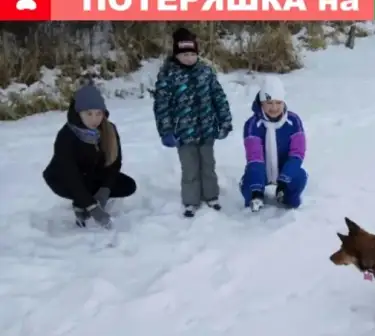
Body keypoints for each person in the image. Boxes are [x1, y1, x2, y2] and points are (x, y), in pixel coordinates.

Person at [153, 27, 233, 218]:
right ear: (176, 55)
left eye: (192, 54)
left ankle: (211, 195)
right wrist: (166, 130)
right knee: (189, 168)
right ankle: (190, 201)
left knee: (208, 165)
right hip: (183, 133)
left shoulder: (206, 72)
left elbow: (218, 97)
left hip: (207, 129)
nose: (189, 58)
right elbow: (161, 105)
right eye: (184, 54)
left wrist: (225, 122)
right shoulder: (168, 76)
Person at [42, 84, 137, 228]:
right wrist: (90, 206)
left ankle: (89, 198)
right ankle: (80, 203)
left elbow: (115, 163)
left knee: (128, 185)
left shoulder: (109, 130)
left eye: (99, 113)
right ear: (79, 112)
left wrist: (104, 191)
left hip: (92, 174)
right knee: (79, 186)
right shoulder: (67, 135)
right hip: (62, 178)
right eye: (89, 113)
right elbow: (69, 174)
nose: (94, 119)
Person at [240, 76, 307, 212]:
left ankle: (284, 195)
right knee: (250, 193)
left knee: (298, 181)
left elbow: (297, 154)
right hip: (261, 169)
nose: (274, 107)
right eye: (269, 103)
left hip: (284, 166)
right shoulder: (252, 124)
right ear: (262, 103)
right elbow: (254, 158)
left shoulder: (293, 121)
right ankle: (255, 191)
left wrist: (284, 180)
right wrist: (257, 190)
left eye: (278, 102)